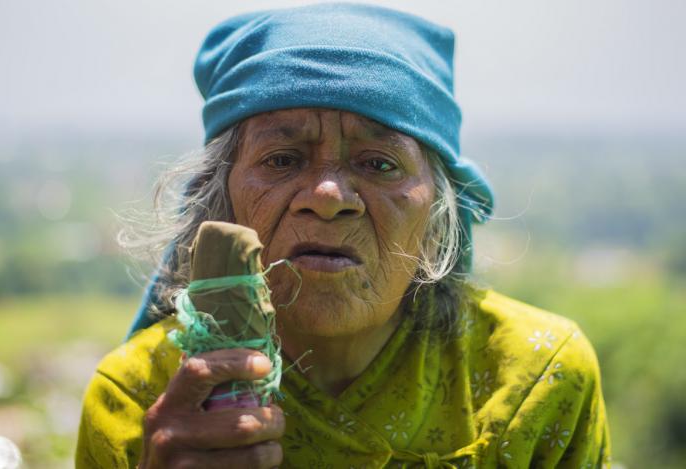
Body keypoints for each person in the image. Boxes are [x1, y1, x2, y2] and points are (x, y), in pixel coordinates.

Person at [76, 4, 610, 468]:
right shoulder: (140, 397)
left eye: (379, 163)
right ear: (221, 201)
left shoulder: (538, 377)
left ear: (439, 214)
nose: (328, 196)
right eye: (282, 159)